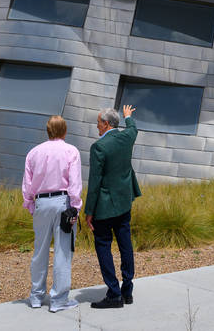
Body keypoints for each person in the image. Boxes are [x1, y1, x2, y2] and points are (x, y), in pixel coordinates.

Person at [22, 115, 82, 313]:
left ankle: (36, 296)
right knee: (63, 252)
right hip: (63, 202)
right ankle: (58, 300)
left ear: (48, 131)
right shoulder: (71, 151)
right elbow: (74, 183)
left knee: (39, 251)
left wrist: (31, 205)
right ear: (64, 131)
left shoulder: (33, 152)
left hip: (41, 203)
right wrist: (76, 206)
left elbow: (27, 185)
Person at [84, 104, 141, 309]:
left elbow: (94, 183)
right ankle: (127, 290)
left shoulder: (99, 147)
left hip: (105, 207)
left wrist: (89, 212)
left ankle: (114, 294)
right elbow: (133, 129)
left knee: (103, 246)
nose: (96, 126)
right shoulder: (127, 137)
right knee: (126, 244)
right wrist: (128, 117)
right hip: (124, 202)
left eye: (98, 122)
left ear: (106, 124)